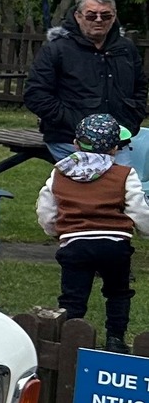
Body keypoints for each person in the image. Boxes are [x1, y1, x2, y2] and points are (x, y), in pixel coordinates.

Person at [37, 113, 149, 351]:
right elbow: (138, 209)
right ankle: (115, 340)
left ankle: (70, 340)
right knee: (118, 292)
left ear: (76, 143)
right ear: (115, 149)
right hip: (114, 245)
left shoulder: (60, 173)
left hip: (75, 244)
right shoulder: (123, 175)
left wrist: (55, 231)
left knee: (72, 296)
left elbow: (46, 208)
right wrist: (145, 231)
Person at [23, 0, 144, 167]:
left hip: (117, 144)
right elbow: (36, 94)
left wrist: (131, 118)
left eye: (105, 15)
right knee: (85, 193)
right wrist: (73, 123)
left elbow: (140, 87)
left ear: (114, 16)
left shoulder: (126, 49)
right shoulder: (57, 49)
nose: (98, 20)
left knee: (122, 192)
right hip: (70, 142)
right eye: (91, 15)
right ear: (78, 16)